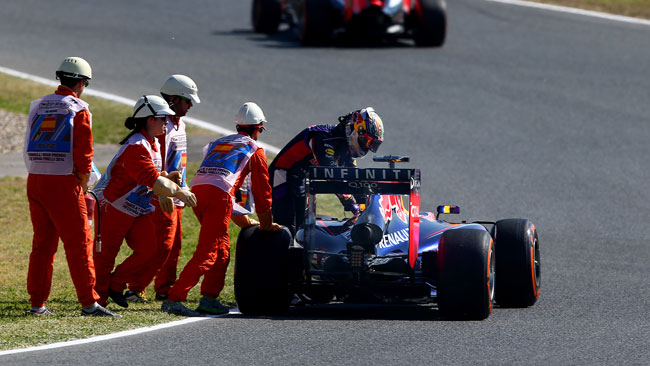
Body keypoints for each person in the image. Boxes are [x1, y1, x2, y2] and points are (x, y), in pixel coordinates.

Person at [162, 102, 282, 316]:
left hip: (198, 192)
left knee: (222, 249)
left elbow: (224, 182)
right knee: (209, 251)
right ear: (258, 128)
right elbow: (263, 194)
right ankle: (175, 298)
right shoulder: (255, 149)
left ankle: (209, 298)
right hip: (218, 197)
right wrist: (265, 225)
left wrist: (246, 221)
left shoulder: (219, 142)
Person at [23, 56, 119, 317]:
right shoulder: (78, 108)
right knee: (79, 244)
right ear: (80, 82)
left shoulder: (38, 105)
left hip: (35, 179)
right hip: (64, 183)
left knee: (42, 245)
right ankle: (89, 303)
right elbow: (84, 154)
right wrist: (83, 181)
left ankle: (37, 303)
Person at [92, 95, 197, 308]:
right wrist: (177, 192)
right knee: (105, 259)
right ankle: (97, 302)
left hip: (133, 207)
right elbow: (151, 179)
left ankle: (116, 284)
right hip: (111, 207)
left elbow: (153, 177)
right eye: (163, 120)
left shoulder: (151, 144)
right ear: (151, 120)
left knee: (151, 249)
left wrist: (169, 179)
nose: (167, 124)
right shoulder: (137, 146)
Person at [124, 75, 200, 303]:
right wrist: (161, 191)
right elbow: (155, 162)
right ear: (174, 99)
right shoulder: (161, 124)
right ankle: (135, 287)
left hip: (177, 192)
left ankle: (164, 289)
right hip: (162, 194)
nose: (191, 106)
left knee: (174, 247)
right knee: (162, 246)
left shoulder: (180, 123)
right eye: (187, 101)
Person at [268, 107, 384, 235]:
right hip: (281, 174)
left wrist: (365, 204)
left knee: (301, 229)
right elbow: (331, 175)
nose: (366, 147)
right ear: (355, 131)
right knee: (287, 226)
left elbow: (354, 177)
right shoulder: (323, 137)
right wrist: (352, 204)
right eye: (365, 142)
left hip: (300, 178)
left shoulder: (345, 146)